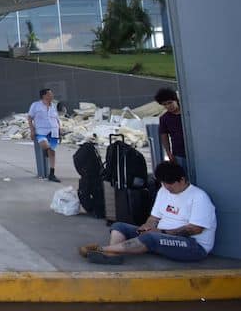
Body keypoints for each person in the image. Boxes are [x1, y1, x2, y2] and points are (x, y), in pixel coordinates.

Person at [79, 162, 217, 264]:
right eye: (164, 183)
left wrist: (161, 232)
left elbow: (195, 229)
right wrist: (147, 226)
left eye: (170, 184)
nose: (167, 187)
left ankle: (103, 249)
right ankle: (113, 254)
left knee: (150, 238)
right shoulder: (163, 191)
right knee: (119, 226)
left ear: (182, 180)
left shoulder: (199, 197)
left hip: (193, 246)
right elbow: (154, 217)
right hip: (161, 235)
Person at [27, 88, 61, 182]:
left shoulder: (53, 106)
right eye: (50, 94)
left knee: (52, 152)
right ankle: (47, 150)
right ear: (44, 96)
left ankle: (52, 173)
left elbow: (56, 119)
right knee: (45, 145)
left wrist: (60, 130)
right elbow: (30, 118)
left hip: (53, 131)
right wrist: (32, 130)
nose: (52, 96)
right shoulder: (36, 105)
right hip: (41, 131)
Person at [155, 87, 188, 175]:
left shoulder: (188, 112)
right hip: (179, 152)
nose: (168, 106)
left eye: (170, 102)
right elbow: (164, 136)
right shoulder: (164, 118)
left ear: (176, 100)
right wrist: (169, 153)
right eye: (165, 104)